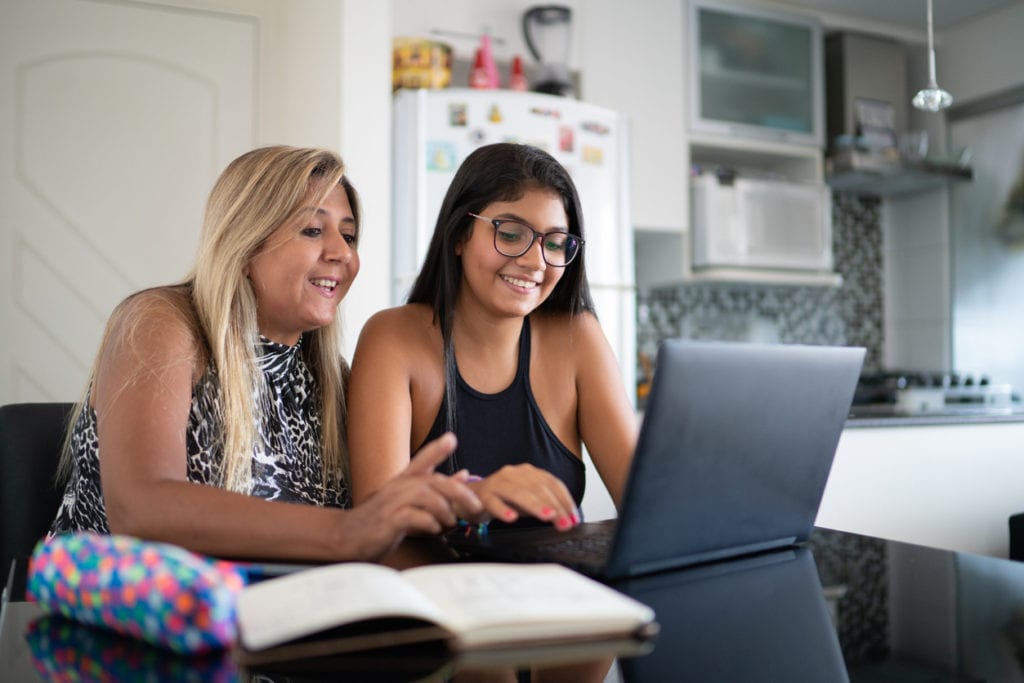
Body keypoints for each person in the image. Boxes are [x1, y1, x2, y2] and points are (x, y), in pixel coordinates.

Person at [49, 145, 481, 562]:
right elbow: (141, 510)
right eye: (313, 230)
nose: (343, 253)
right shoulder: (162, 322)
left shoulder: (331, 380)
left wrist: (476, 508)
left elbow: (388, 528)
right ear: (246, 240)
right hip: (126, 617)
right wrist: (346, 533)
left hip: (279, 620)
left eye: (348, 235)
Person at [348, 142, 637, 531]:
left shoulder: (578, 338)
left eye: (554, 242)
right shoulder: (393, 339)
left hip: (558, 585)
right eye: (511, 233)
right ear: (459, 235)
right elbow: (372, 528)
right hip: (436, 586)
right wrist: (471, 499)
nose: (535, 261)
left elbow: (644, 505)